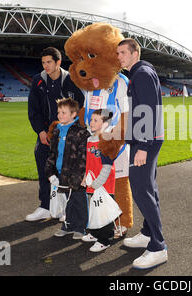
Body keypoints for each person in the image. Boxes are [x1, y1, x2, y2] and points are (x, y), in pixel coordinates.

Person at [117, 38, 167, 269]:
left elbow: (148, 110)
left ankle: (158, 247)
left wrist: (143, 147)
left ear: (135, 53)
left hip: (145, 141)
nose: (119, 57)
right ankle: (148, 234)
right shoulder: (140, 73)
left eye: (123, 53)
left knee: (141, 190)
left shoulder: (142, 74)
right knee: (148, 188)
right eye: (118, 53)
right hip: (144, 139)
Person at [26, 47, 85, 222]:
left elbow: (80, 106)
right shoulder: (38, 81)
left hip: (67, 134)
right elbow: (33, 109)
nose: (46, 66)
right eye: (43, 62)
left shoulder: (70, 81)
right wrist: (41, 132)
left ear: (58, 62)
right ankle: (45, 206)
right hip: (46, 134)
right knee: (44, 168)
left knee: (66, 171)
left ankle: (66, 208)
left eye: (49, 62)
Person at [44, 97, 89, 239]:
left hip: (76, 174)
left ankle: (81, 227)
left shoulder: (81, 133)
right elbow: (52, 153)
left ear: (73, 114)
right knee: (66, 201)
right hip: (60, 173)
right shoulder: (57, 131)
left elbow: (83, 157)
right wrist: (50, 172)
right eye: (59, 112)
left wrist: (78, 176)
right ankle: (68, 225)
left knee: (78, 201)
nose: (60, 115)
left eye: (64, 112)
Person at [81, 109, 118, 252]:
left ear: (105, 123)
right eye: (91, 120)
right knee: (94, 210)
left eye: (96, 120)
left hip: (104, 185)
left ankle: (105, 239)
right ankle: (95, 234)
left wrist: (98, 182)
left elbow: (107, 167)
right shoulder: (89, 140)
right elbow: (88, 163)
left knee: (104, 212)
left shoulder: (106, 140)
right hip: (93, 183)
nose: (91, 122)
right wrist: (85, 177)